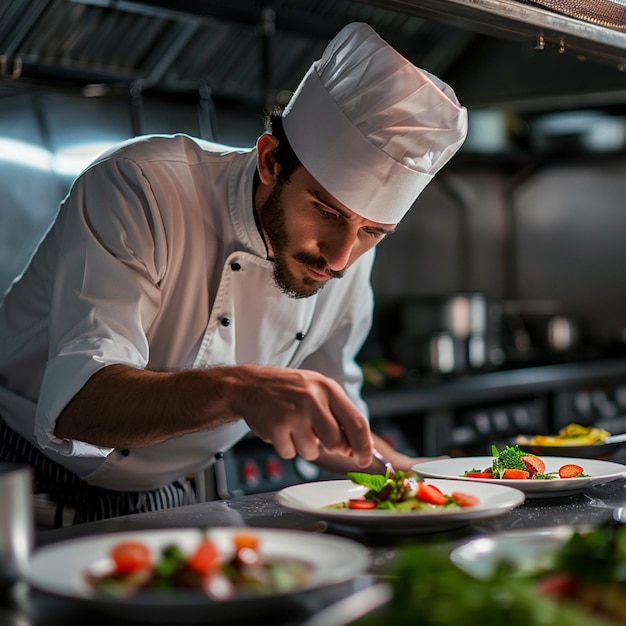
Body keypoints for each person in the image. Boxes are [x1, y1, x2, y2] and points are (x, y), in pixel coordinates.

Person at [0, 22, 468, 524]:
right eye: (327, 212)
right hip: (22, 484)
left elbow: (329, 422)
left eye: (374, 231)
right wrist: (242, 389)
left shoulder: (351, 253)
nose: (339, 257)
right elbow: (77, 405)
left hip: (169, 493)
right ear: (271, 161)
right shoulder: (142, 188)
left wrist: (410, 475)